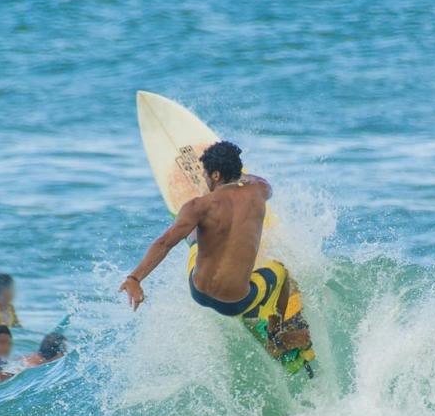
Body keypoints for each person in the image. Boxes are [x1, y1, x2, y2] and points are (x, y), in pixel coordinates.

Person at [118, 140, 310, 355]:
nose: (203, 177)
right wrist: (242, 177)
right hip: (236, 302)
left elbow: (164, 243)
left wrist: (134, 279)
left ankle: (193, 240)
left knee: (192, 236)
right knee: (281, 272)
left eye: (205, 173)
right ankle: (279, 334)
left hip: (198, 291)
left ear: (216, 175)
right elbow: (263, 183)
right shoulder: (259, 191)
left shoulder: (198, 206)